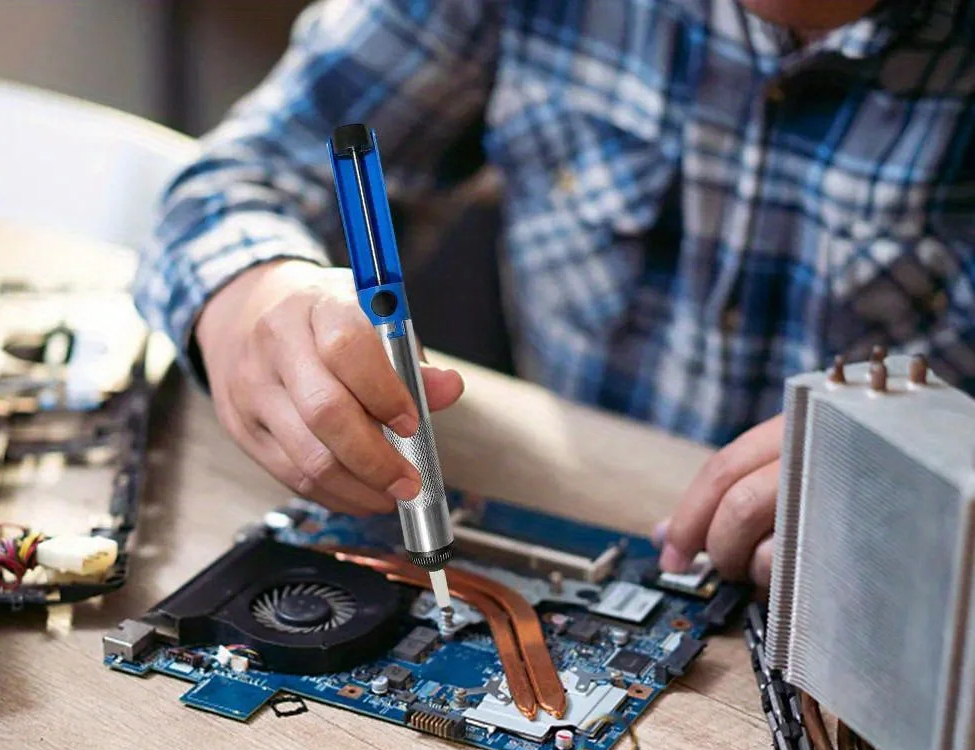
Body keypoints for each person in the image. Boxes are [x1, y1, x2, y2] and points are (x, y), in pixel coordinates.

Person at [135, 0, 975, 595]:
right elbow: (231, 182)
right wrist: (250, 295)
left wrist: (937, 477)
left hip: (896, 604)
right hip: (560, 508)